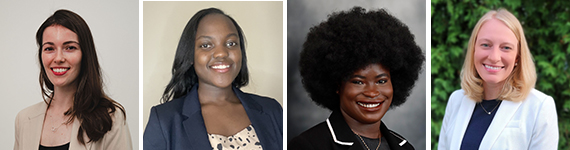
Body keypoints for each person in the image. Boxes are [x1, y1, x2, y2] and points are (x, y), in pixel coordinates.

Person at [143, 8, 283, 150]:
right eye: (206, 45)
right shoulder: (164, 121)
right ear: (190, 55)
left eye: (231, 43)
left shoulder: (272, 111)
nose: (221, 53)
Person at [289, 7, 424, 150]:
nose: (372, 92)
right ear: (337, 85)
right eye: (358, 82)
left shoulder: (404, 147)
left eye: (381, 81)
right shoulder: (309, 146)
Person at [437, 8, 558, 150]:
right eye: (486, 45)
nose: (494, 57)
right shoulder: (456, 100)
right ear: (474, 49)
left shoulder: (539, 107)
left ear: (517, 57)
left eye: (506, 47)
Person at [14, 9, 132, 150]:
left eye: (70, 47)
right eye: (49, 48)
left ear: (85, 55)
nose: (58, 58)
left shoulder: (111, 118)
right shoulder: (24, 119)